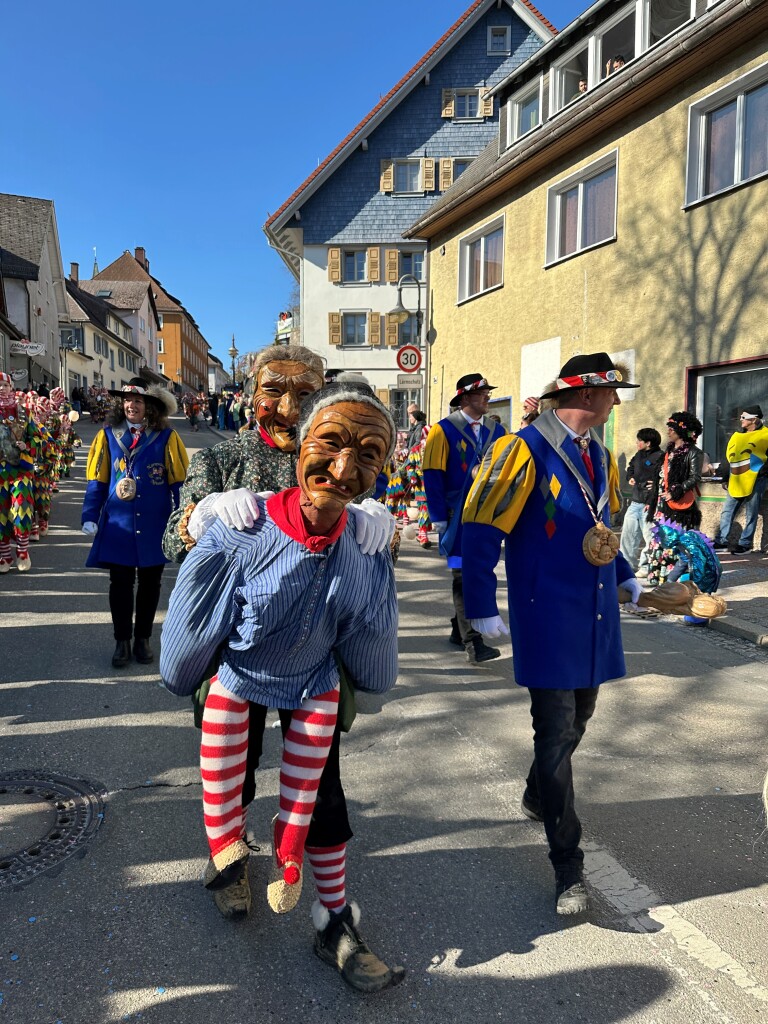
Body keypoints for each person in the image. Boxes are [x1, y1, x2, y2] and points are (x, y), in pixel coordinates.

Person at [160, 382, 404, 993]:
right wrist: (204, 518)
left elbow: (375, 667)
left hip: (315, 679)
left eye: (370, 455)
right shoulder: (231, 486)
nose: (346, 468)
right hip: (237, 670)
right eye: (330, 445)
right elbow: (182, 603)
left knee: (323, 793)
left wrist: (376, 563)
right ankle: (230, 866)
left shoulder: (361, 538)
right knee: (234, 776)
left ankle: (334, 920)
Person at [461, 352, 643, 915]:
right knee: (555, 730)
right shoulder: (520, 449)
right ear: (588, 396)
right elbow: (480, 525)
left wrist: (628, 575)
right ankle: (568, 867)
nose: (617, 402)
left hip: (593, 618)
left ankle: (539, 794)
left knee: (578, 720)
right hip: (546, 615)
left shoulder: (603, 456)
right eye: (613, 393)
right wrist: (480, 604)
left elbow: (602, 529)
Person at [81, 378, 188, 668]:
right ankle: (122, 641)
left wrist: (186, 518)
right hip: (119, 524)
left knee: (151, 584)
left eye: (138, 401)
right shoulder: (107, 435)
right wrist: (90, 515)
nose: (131, 405)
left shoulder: (166, 436)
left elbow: (179, 483)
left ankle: (143, 639)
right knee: (120, 584)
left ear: (150, 406)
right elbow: (97, 480)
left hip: (155, 524)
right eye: (127, 401)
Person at [423, 373, 507, 663]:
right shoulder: (442, 430)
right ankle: (473, 642)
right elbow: (433, 474)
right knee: (462, 574)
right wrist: (438, 517)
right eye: (482, 393)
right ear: (465, 398)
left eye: (487, 393)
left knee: (478, 569)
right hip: (455, 515)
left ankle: (459, 631)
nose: (487, 397)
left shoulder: (497, 431)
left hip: (485, 513)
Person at [647, 412, 704, 586]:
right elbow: (662, 475)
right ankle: (660, 582)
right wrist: (653, 496)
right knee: (660, 542)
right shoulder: (669, 451)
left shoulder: (694, 453)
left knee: (676, 543)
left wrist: (677, 490)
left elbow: (695, 477)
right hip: (662, 504)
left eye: (672, 428)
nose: (668, 431)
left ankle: (672, 583)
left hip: (679, 507)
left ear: (682, 430)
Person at [713, 405, 768, 553]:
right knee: (727, 511)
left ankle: (745, 544)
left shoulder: (766, 435)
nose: (741, 420)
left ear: (754, 419)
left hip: (757, 479)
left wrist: (762, 471)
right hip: (736, 478)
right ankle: (722, 541)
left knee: (752, 512)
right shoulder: (736, 436)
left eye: (744, 417)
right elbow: (729, 457)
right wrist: (724, 477)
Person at [0, 373, 37, 572]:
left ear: (12, 387)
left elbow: (40, 438)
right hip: (0, 472)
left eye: (5, 385)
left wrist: (27, 445)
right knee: (1, 514)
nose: (1, 388)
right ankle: (5, 555)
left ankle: (23, 551)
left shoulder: (23, 411)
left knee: (22, 509)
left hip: (20, 470)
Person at [619, 427, 663, 576]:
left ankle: (645, 567)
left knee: (649, 537)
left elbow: (663, 480)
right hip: (635, 502)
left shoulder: (660, 457)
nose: (637, 443)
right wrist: (629, 477)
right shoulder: (638, 455)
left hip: (649, 504)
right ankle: (627, 567)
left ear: (648, 443)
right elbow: (631, 467)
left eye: (639, 441)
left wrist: (652, 496)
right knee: (628, 535)